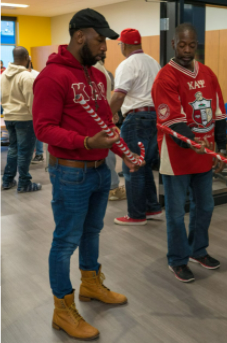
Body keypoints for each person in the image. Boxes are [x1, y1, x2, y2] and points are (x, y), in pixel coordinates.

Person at [32, 8, 143, 341]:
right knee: (65, 241)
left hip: (99, 171)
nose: (105, 48)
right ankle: (61, 309)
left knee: (92, 232)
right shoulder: (52, 77)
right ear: (80, 35)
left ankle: (91, 284)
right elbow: (43, 128)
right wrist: (84, 142)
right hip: (70, 173)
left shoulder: (97, 77)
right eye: (100, 40)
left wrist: (124, 153)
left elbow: (105, 126)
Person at [151, 23, 227, 283]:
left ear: (197, 45)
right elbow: (172, 120)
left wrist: (221, 146)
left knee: (205, 205)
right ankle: (177, 259)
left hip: (203, 153)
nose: (186, 49)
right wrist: (192, 141)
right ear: (173, 44)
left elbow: (218, 112)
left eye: (191, 45)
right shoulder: (166, 77)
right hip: (176, 154)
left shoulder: (207, 73)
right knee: (174, 212)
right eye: (182, 44)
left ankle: (198, 250)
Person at [110, 28, 162, 226]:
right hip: (154, 118)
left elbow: (119, 94)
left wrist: (105, 117)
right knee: (145, 164)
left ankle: (136, 214)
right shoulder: (153, 62)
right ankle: (152, 207)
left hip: (136, 120)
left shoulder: (127, 64)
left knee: (132, 166)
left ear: (123, 44)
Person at [1, 47, 42, 192]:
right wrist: (38, 121)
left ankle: (7, 180)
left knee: (13, 149)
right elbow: (33, 102)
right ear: (27, 58)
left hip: (9, 117)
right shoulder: (27, 77)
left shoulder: (4, 75)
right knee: (25, 152)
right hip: (25, 118)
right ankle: (24, 183)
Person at [94, 58, 126, 201]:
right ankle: (112, 188)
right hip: (101, 120)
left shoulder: (99, 71)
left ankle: (108, 186)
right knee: (107, 150)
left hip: (100, 118)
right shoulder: (100, 71)